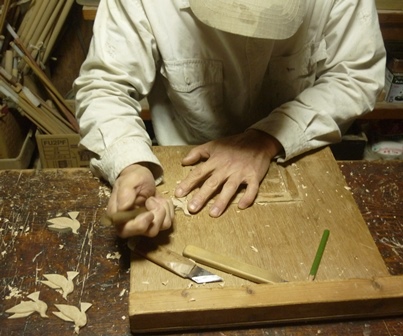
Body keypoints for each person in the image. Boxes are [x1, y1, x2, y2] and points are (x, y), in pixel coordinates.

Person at [74, 0, 386, 238]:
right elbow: (106, 85)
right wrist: (129, 165)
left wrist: (264, 141)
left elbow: (355, 75)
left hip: (295, 157)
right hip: (185, 173)